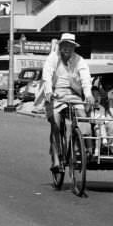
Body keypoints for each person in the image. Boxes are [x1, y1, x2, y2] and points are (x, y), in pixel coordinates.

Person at [42, 32, 93, 170]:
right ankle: (56, 158)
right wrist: (48, 91)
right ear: (60, 46)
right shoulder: (53, 58)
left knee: (83, 118)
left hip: (73, 94)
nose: (67, 49)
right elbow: (47, 75)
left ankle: (84, 148)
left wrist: (88, 94)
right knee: (56, 125)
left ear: (74, 48)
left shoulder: (79, 60)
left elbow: (85, 78)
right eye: (64, 46)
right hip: (56, 94)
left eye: (70, 46)